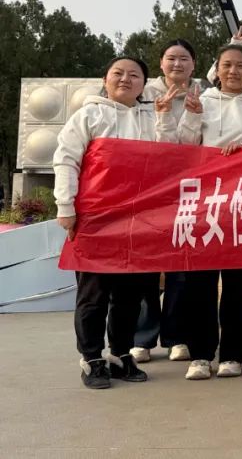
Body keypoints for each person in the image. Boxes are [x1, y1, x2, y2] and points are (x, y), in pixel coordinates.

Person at [54, 56, 179, 388]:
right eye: (118, 73)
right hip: (96, 217)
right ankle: (91, 358)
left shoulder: (152, 116)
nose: (125, 79)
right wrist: (66, 206)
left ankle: (121, 354)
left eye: (134, 75)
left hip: (139, 221)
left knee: (131, 294)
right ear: (105, 80)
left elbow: (169, 155)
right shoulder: (88, 115)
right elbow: (66, 159)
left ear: (144, 84)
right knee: (93, 294)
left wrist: (165, 118)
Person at [177, 45, 242, 380]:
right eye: (227, 65)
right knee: (200, 284)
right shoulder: (201, 101)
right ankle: (201, 355)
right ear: (216, 69)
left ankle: (233, 354)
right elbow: (184, 146)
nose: (233, 71)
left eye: (241, 65)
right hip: (204, 203)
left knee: (237, 284)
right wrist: (192, 116)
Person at [131, 39, 204, 364]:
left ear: (194, 64)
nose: (177, 64)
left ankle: (177, 336)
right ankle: (142, 337)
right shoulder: (143, 93)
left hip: (188, 192)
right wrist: (161, 114)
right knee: (146, 267)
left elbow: (189, 146)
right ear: (160, 63)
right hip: (148, 191)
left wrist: (190, 114)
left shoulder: (202, 93)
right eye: (171, 58)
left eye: (184, 59)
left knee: (181, 268)